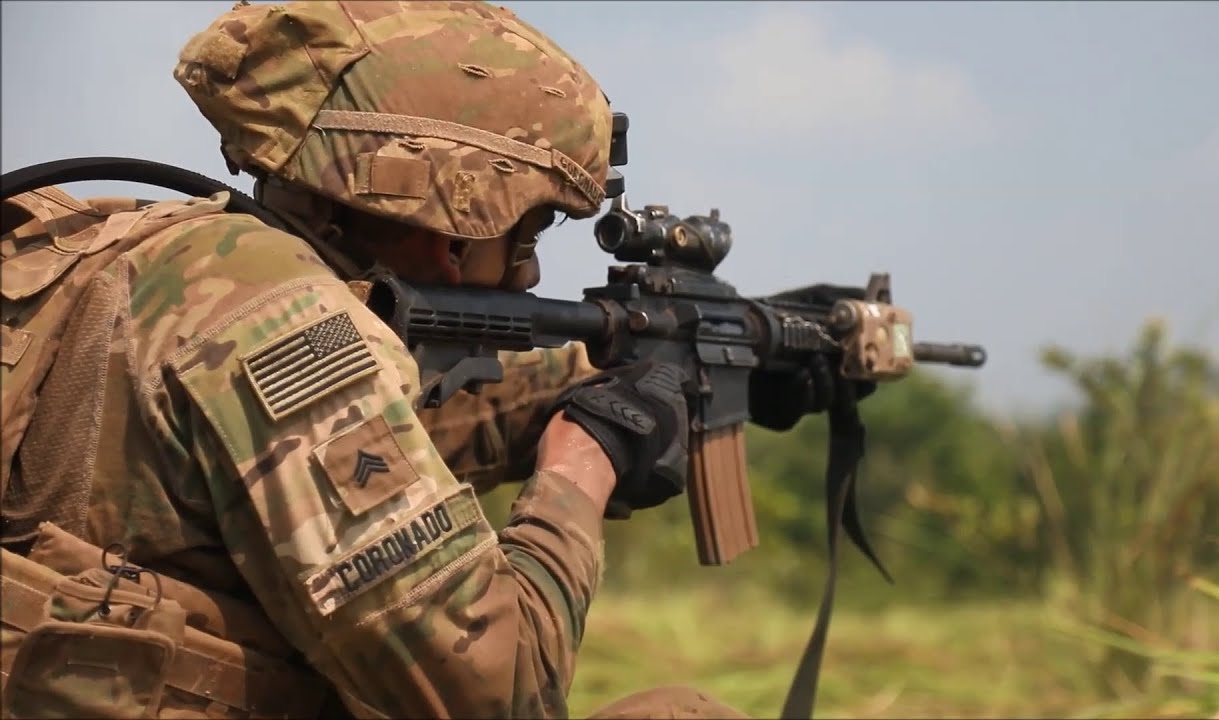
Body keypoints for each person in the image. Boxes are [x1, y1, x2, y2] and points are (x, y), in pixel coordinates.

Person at [0, 1, 758, 717]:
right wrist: (580, 468)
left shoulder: (163, 251)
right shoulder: (288, 326)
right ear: (452, 228)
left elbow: (342, 452)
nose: (527, 275)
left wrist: (595, 382)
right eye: (525, 238)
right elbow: (498, 690)